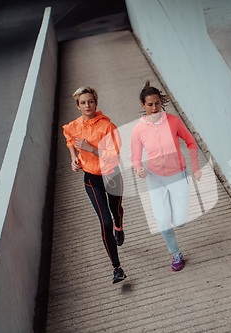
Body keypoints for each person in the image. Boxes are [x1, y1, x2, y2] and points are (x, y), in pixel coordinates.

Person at [131, 81, 202, 271]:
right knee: (162, 219)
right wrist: (139, 170)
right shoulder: (138, 129)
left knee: (180, 221)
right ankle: (176, 254)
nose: (154, 108)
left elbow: (191, 142)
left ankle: (174, 209)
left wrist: (195, 168)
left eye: (157, 103)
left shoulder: (173, 121)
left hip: (178, 174)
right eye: (149, 104)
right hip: (155, 177)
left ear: (160, 102)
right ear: (142, 105)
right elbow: (135, 158)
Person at [63, 86, 126, 284]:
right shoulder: (74, 126)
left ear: (96, 102)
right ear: (77, 105)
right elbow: (70, 140)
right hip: (91, 180)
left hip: (112, 175)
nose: (87, 105)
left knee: (115, 211)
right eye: (83, 102)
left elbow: (114, 155)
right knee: (104, 222)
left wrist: (91, 149)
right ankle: (117, 269)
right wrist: (74, 159)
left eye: (90, 101)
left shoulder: (108, 127)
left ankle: (120, 225)